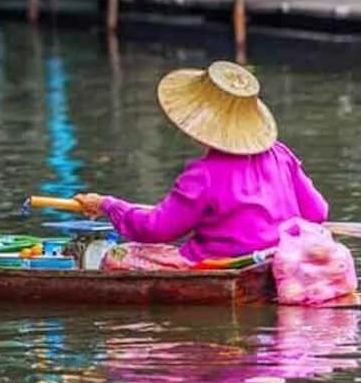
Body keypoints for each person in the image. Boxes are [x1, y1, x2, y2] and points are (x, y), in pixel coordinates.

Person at [72, 61, 329, 271]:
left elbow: (157, 228)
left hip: (220, 265)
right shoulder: (280, 154)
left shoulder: (202, 174)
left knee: (116, 256)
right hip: (275, 260)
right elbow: (317, 212)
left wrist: (109, 205)